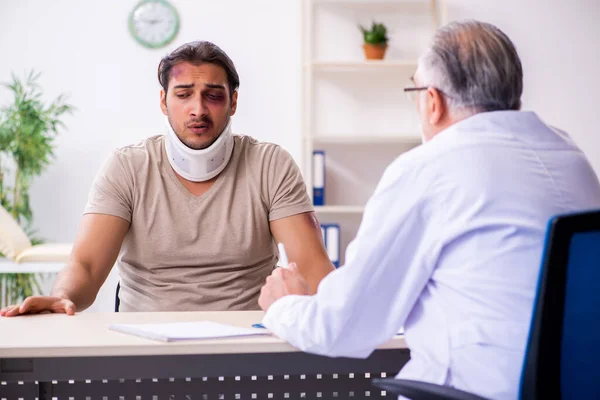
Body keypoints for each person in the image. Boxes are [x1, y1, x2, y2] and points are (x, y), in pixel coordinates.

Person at [257, 20, 600, 399]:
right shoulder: (574, 160)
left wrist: (284, 305)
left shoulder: (432, 167)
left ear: (432, 102)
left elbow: (341, 326)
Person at [0, 41, 334, 316]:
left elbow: (311, 265)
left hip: (245, 343)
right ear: (163, 101)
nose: (198, 110)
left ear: (233, 102)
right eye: (184, 94)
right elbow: (86, 265)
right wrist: (62, 296)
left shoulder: (271, 164)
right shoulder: (127, 166)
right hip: (144, 346)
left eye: (213, 95)